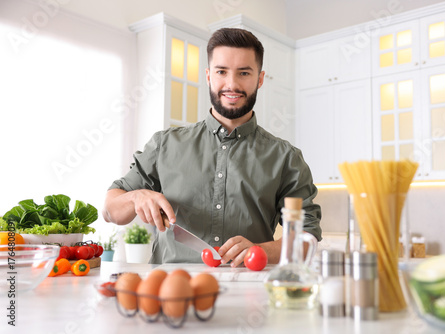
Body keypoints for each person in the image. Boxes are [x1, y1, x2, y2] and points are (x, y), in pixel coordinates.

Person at [102, 28, 322, 266]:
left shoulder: (285, 158)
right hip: (171, 292)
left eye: (244, 73)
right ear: (208, 76)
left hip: (250, 294)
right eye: (221, 71)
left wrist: (262, 250)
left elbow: (307, 235)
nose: (232, 84)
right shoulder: (164, 144)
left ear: (259, 78)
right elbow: (110, 211)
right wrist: (136, 196)